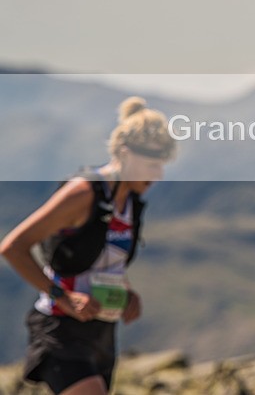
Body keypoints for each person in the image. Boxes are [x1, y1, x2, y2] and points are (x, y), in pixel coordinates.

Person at [0, 97, 176, 395]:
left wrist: (127, 292)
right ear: (124, 153)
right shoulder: (82, 193)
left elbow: (105, 260)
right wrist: (63, 296)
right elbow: (12, 247)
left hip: (101, 330)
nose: (157, 175)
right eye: (152, 165)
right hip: (59, 327)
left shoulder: (131, 202)